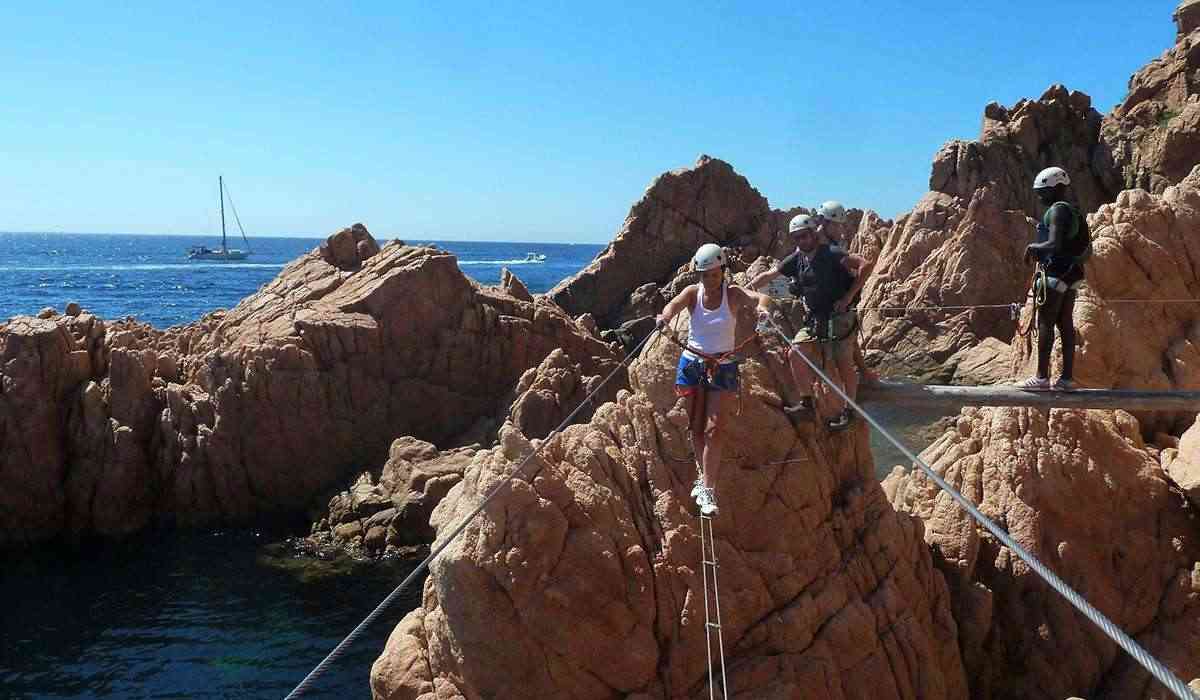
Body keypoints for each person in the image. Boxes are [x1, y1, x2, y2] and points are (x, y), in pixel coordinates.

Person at [657, 243, 773, 516]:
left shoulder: (732, 294)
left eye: (714, 274)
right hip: (691, 363)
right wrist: (664, 317)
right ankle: (702, 476)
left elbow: (761, 299)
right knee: (696, 426)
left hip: (723, 366)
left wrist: (764, 312)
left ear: (723, 272)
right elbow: (672, 305)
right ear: (698, 274)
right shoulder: (691, 293)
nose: (709, 279)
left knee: (715, 428)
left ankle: (708, 489)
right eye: (704, 274)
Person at [749, 214, 870, 431]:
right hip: (815, 318)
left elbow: (865, 265)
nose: (801, 241)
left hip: (839, 317)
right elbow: (769, 275)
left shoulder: (831, 254)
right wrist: (743, 291)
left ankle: (849, 411)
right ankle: (807, 403)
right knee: (795, 353)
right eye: (796, 238)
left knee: (843, 364)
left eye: (804, 236)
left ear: (814, 233)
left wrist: (848, 297)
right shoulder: (797, 259)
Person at [1020, 166, 1092, 391]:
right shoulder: (1074, 211)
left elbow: (1054, 244)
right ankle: (1067, 379)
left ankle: (1042, 378)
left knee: (1045, 323)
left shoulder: (1058, 211)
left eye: (1043, 191)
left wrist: (1033, 247)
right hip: (1071, 275)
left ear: (1056, 189)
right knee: (1065, 324)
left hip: (1055, 274)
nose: (1040, 196)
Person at [814, 200, 879, 385]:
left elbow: (865, 265)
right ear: (826, 223)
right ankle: (861, 376)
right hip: (830, 303)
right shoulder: (819, 245)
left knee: (846, 342)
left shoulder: (830, 247)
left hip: (838, 303)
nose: (840, 230)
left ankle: (854, 387)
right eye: (837, 225)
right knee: (846, 340)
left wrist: (848, 296)